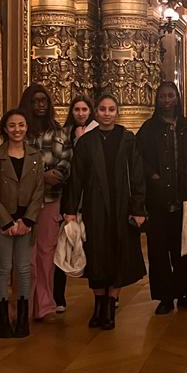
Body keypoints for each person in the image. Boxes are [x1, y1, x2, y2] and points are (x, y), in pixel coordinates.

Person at [61, 94, 147, 329]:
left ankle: (111, 304)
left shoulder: (128, 139)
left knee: (119, 254)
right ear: (96, 112)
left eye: (111, 109)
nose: (107, 113)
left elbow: (138, 175)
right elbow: (76, 178)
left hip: (122, 206)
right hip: (95, 206)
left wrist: (139, 209)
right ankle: (98, 304)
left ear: (116, 112)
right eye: (103, 109)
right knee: (96, 255)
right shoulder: (87, 142)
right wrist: (70, 210)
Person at [137, 82, 187, 315]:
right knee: (159, 250)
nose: (166, 100)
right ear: (157, 100)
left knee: (186, 248)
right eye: (162, 96)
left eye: (170, 96)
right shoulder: (148, 129)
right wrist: (152, 174)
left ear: (177, 98)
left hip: (183, 196)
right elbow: (140, 159)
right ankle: (165, 297)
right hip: (158, 198)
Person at [0, 109, 45, 339]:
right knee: (3, 269)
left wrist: (27, 220)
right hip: (4, 223)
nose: (17, 129)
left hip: (26, 224)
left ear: (26, 127)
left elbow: (39, 191)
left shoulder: (36, 156)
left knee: (23, 269)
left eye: (21, 125)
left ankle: (22, 319)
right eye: (12, 125)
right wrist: (6, 222)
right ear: (5, 129)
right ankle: (2, 320)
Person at [18, 83, 72, 321]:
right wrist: (40, 176)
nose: (40, 105)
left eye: (44, 101)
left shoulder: (58, 133)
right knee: (24, 257)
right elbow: (14, 167)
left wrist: (53, 176)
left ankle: (45, 305)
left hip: (51, 200)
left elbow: (66, 162)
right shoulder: (20, 132)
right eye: (36, 101)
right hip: (22, 202)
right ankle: (23, 306)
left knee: (46, 254)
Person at [57, 95, 97, 312]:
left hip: (89, 193)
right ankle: (58, 296)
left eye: (84, 109)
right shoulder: (65, 134)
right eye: (77, 110)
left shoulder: (96, 133)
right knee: (64, 242)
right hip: (67, 190)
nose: (81, 113)